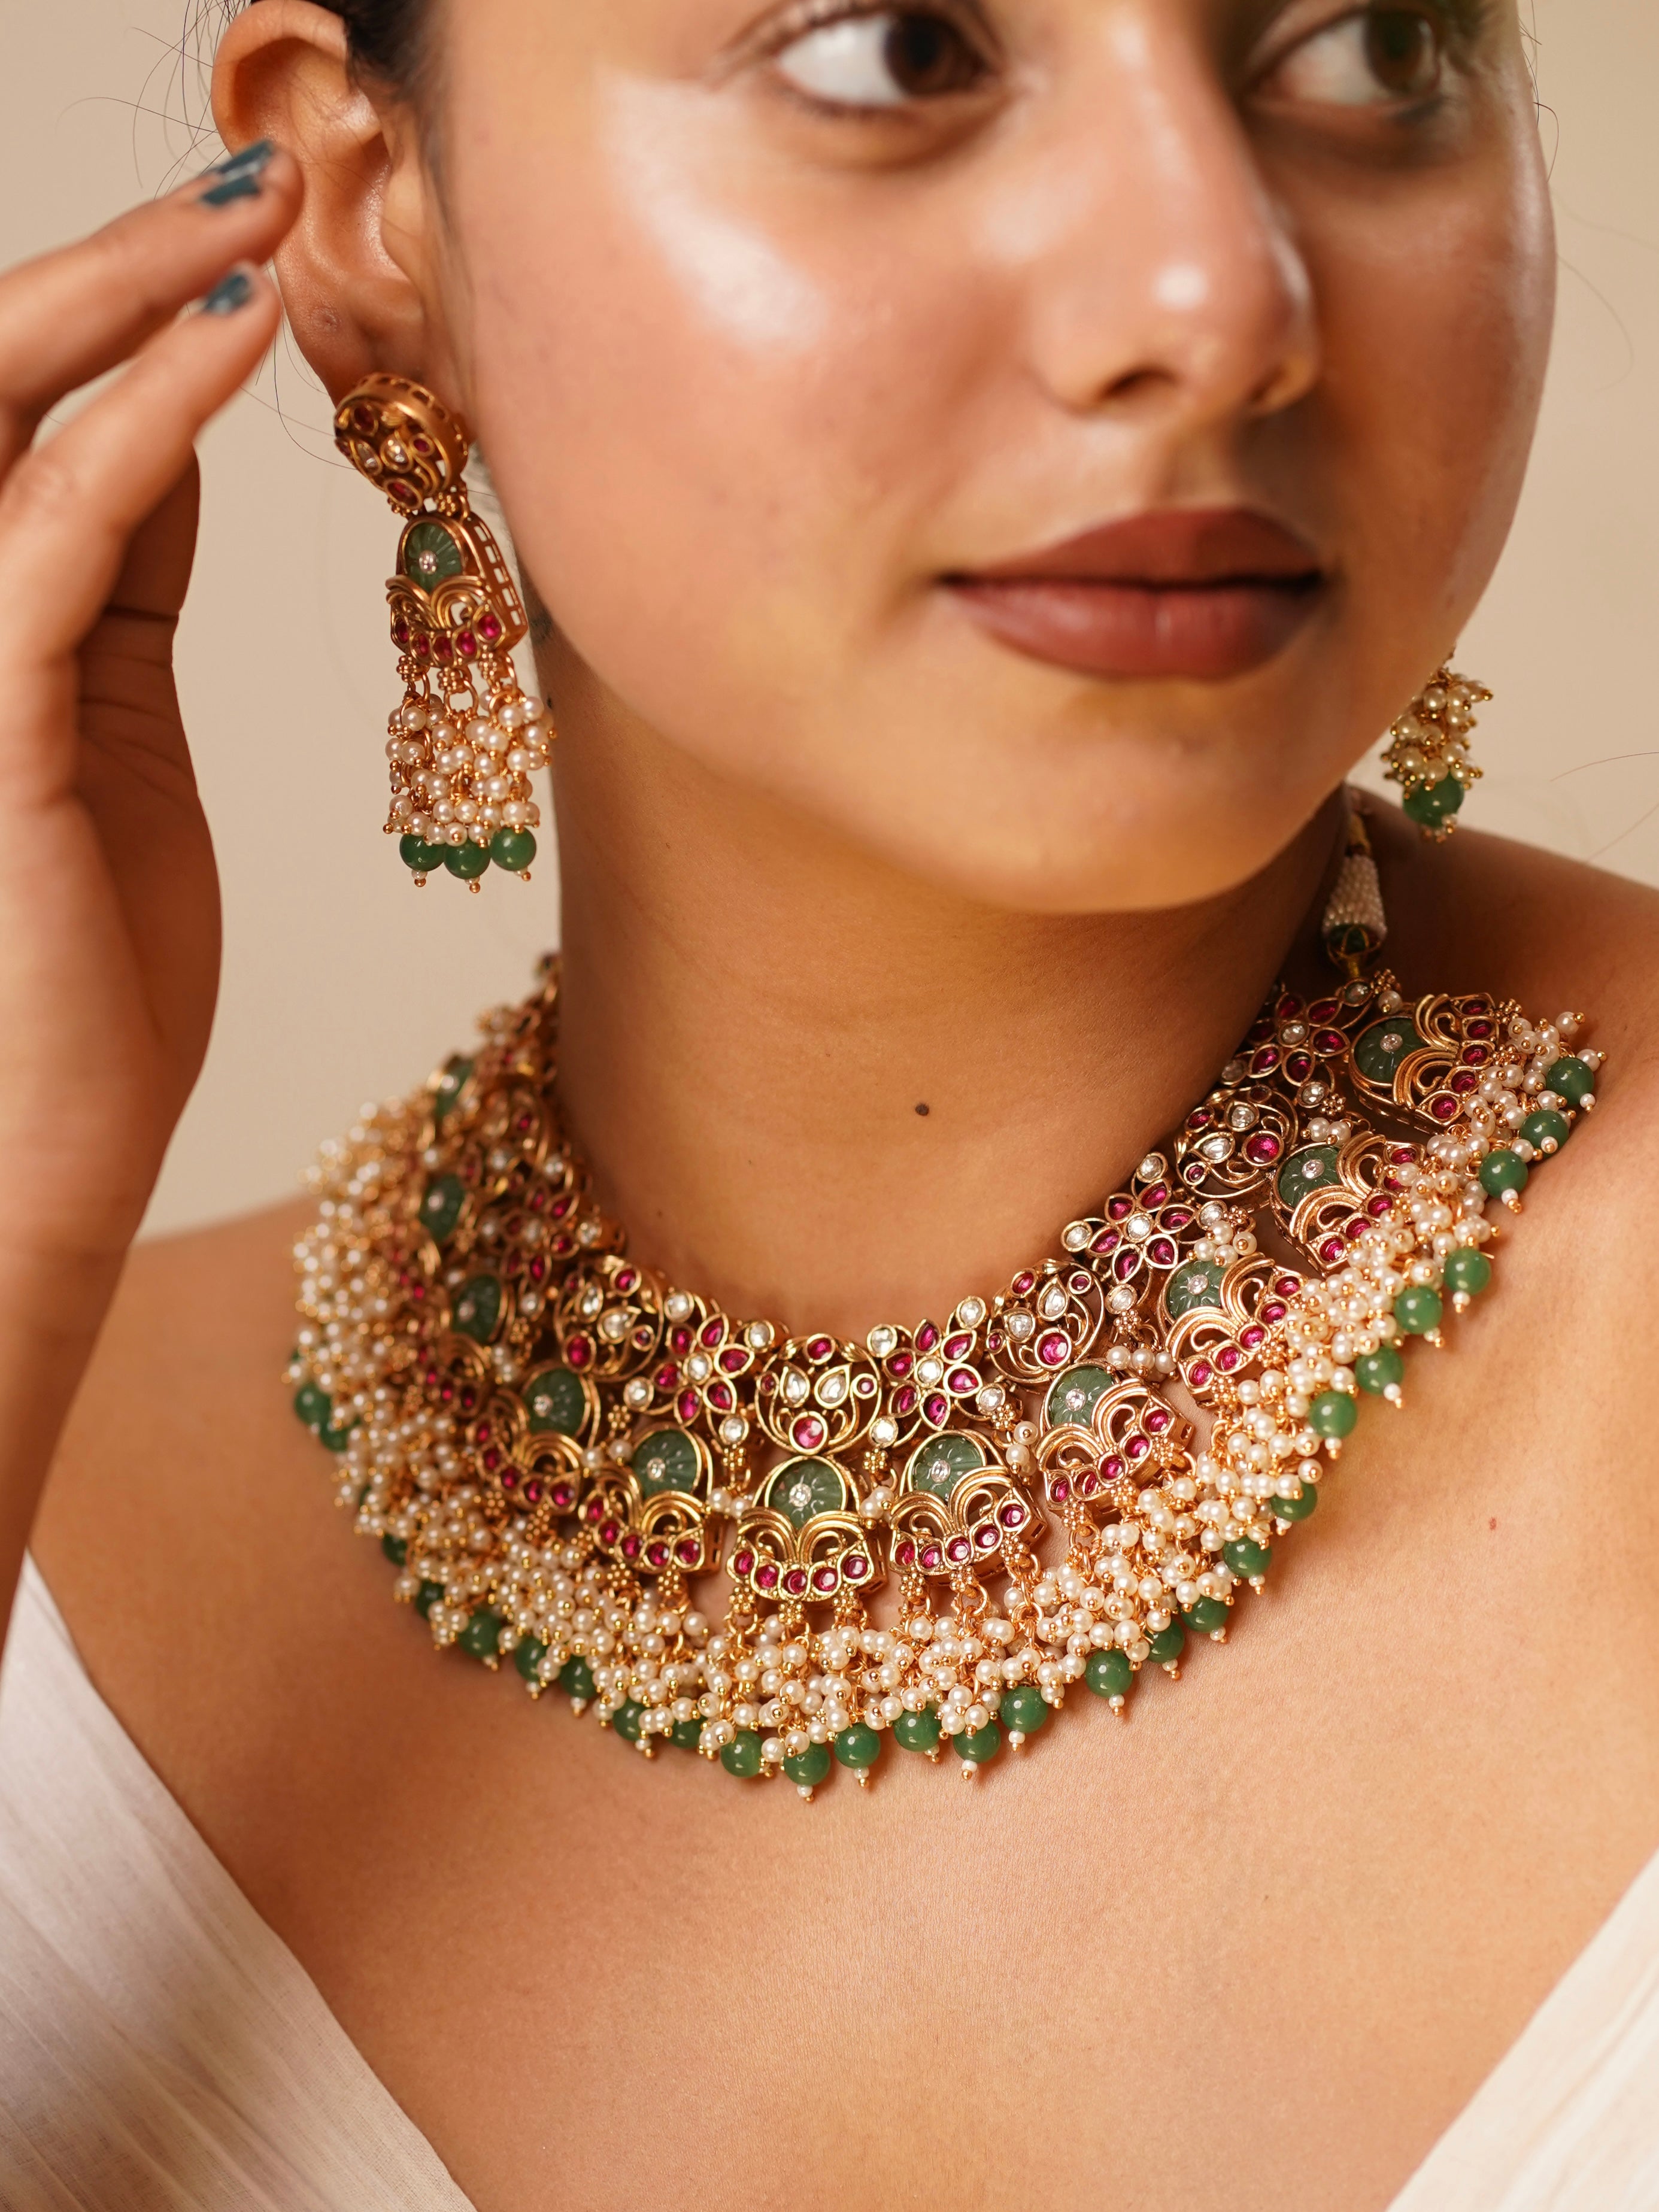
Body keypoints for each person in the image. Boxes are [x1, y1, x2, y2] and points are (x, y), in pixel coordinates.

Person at [1, 1, 1657, 2206]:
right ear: (380, 210)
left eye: (1369, 45)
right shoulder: (55, 1528)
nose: (1217, 295)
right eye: (896, 51)